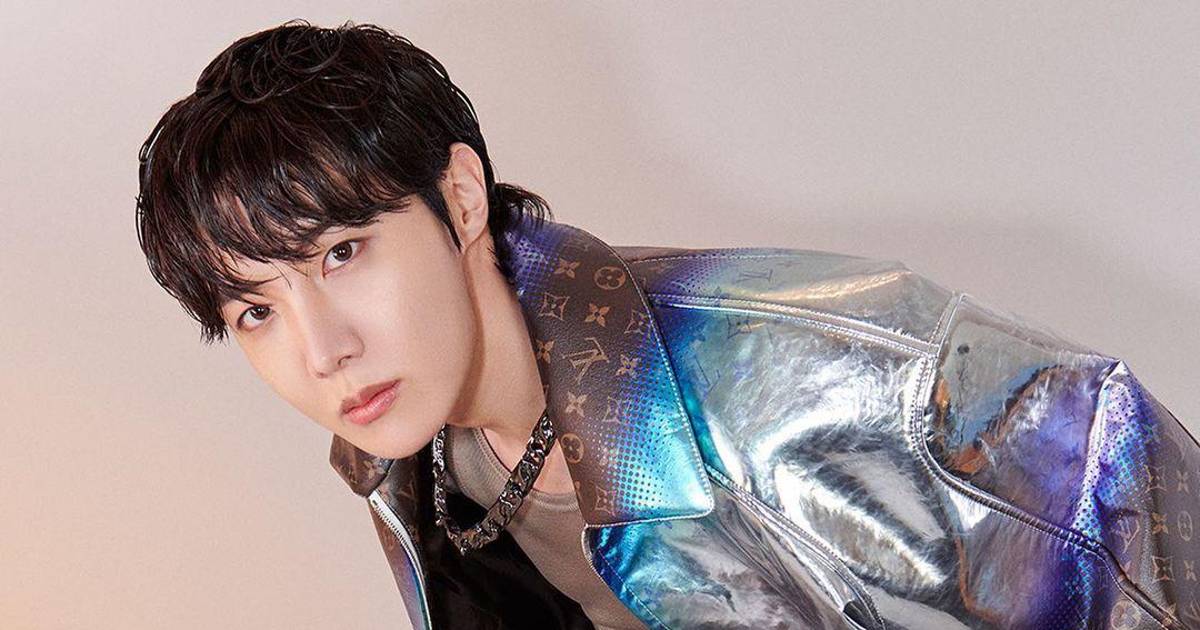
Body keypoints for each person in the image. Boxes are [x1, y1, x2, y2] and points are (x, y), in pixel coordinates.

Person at [135, 19, 1198, 630]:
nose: (323, 351)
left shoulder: (810, 376)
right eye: (256, 309)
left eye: (341, 253)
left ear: (458, 198)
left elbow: (1115, 475)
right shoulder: (406, 460)